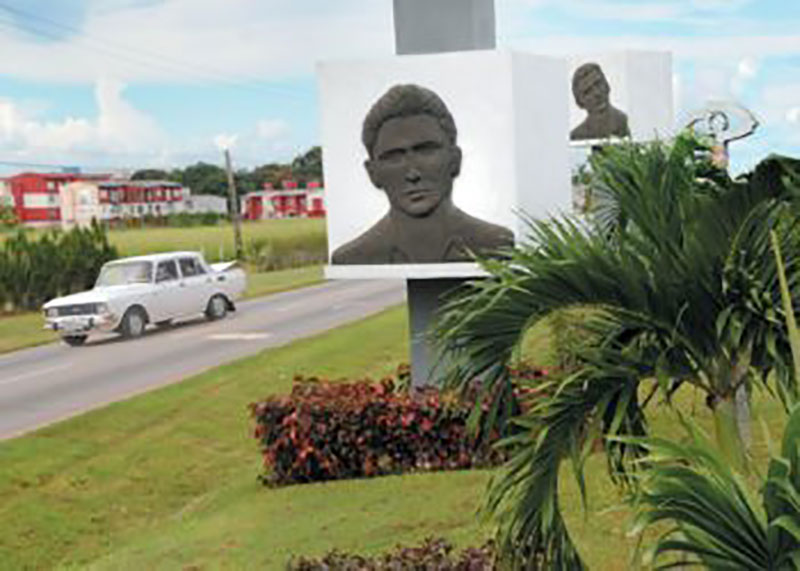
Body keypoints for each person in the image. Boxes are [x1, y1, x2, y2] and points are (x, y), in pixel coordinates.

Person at [331, 84, 514, 265]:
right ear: (373, 173)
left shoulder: (497, 244)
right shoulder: (352, 257)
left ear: (454, 159)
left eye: (426, 151)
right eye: (394, 157)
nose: (413, 174)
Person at [570, 62, 630, 142]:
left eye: (598, 84)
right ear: (580, 102)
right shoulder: (576, 136)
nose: (596, 93)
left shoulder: (627, 123)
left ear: (607, 85)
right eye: (588, 91)